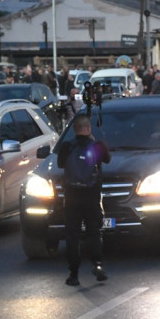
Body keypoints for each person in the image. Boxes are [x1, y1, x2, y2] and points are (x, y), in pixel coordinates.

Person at [57, 114, 111, 286]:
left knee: (72, 235)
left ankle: (73, 274)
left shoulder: (67, 146)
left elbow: (60, 164)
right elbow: (107, 159)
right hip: (91, 197)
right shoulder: (97, 146)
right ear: (88, 128)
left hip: (72, 198)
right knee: (94, 232)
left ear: (74, 130)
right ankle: (98, 264)